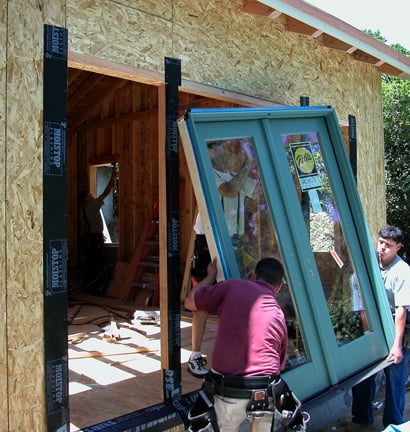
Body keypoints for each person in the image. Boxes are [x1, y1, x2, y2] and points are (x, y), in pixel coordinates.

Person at [184, 256, 288, 431]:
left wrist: (210, 276)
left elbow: (189, 302)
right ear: (278, 288)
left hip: (230, 391)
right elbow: (279, 364)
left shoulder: (232, 286)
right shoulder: (279, 315)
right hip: (265, 392)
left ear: (253, 275)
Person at [351, 226, 410, 427]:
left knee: (395, 379)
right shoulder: (364, 270)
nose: (382, 248)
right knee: (363, 376)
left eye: (388, 245)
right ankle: (360, 419)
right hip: (373, 326)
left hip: (398, 328)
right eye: (381, 242)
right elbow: (362, 309)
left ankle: (393, 424)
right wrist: (369, 338)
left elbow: (401, 310)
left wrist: (396, 346)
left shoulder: (402, 271)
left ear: (398, 247)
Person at [79, 168, 116, 287]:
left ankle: (92, 287)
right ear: (85, 199)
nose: (92, 195)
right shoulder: (91, 206)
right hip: (95, 240)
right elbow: (106, 192)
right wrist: (113, 177)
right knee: (97, 264)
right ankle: (95, 288)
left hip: (92, 240)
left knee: (93, 264)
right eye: (89, 195)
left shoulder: (86, 209)